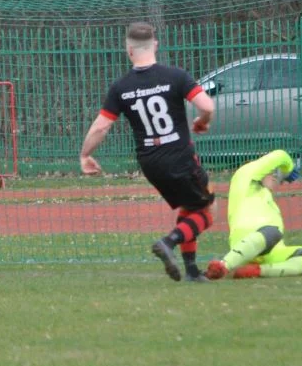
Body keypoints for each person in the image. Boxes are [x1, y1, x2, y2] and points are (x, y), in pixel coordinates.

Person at [79, 22, 216, 282]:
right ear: (155, 45)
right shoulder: (176, 76)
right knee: (208, 212)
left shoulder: (121, 87)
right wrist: (203, 121)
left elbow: (101, 126)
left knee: (190, 206)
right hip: (180, 157)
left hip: (150, 163)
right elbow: (206, 105)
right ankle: (169, 242)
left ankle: (191, 271)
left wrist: (85, 155)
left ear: (128, 50)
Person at [205, 149, 302, 280]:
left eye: (277, 175)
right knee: (273, 231)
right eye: (272, 172)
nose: (275, 176)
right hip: (246, 242)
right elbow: (280, 155)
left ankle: (258, 271)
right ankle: (223, 266)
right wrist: (288, 169)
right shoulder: (244, 176)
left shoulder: (268, 199)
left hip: (272, 250)